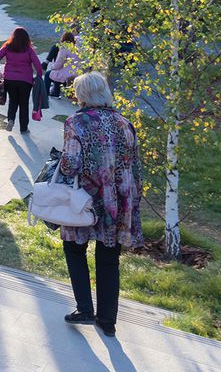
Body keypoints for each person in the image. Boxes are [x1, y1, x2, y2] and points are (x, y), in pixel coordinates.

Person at [59, 72, 143, 338]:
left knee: (74, 248)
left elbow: (70, 164)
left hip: (86, 199)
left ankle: (84, 308)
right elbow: (135, 166)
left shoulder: (77, 122)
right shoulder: (124, 123)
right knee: (109, 259)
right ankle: (107, 320)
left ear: (82, 95)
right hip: (118, 199)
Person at [0, 27, 44, 134]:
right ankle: (24, 128)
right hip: (25, 81)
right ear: (26, 38)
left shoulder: (7, 47)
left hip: (9, 79)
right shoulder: (29, 49)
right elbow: (38, 65)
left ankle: (11, 120)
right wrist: (39, 76)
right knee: (24, 104)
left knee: (13, 101)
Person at [46, 32, 83, 99]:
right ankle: (55, 90)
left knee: (49, 73)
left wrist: (52, 67)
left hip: (67, 73)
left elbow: (59, 63)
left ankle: (48, 93)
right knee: (58, 72)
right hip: (77, 72)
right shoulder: (77, 49)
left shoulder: (64, 48)